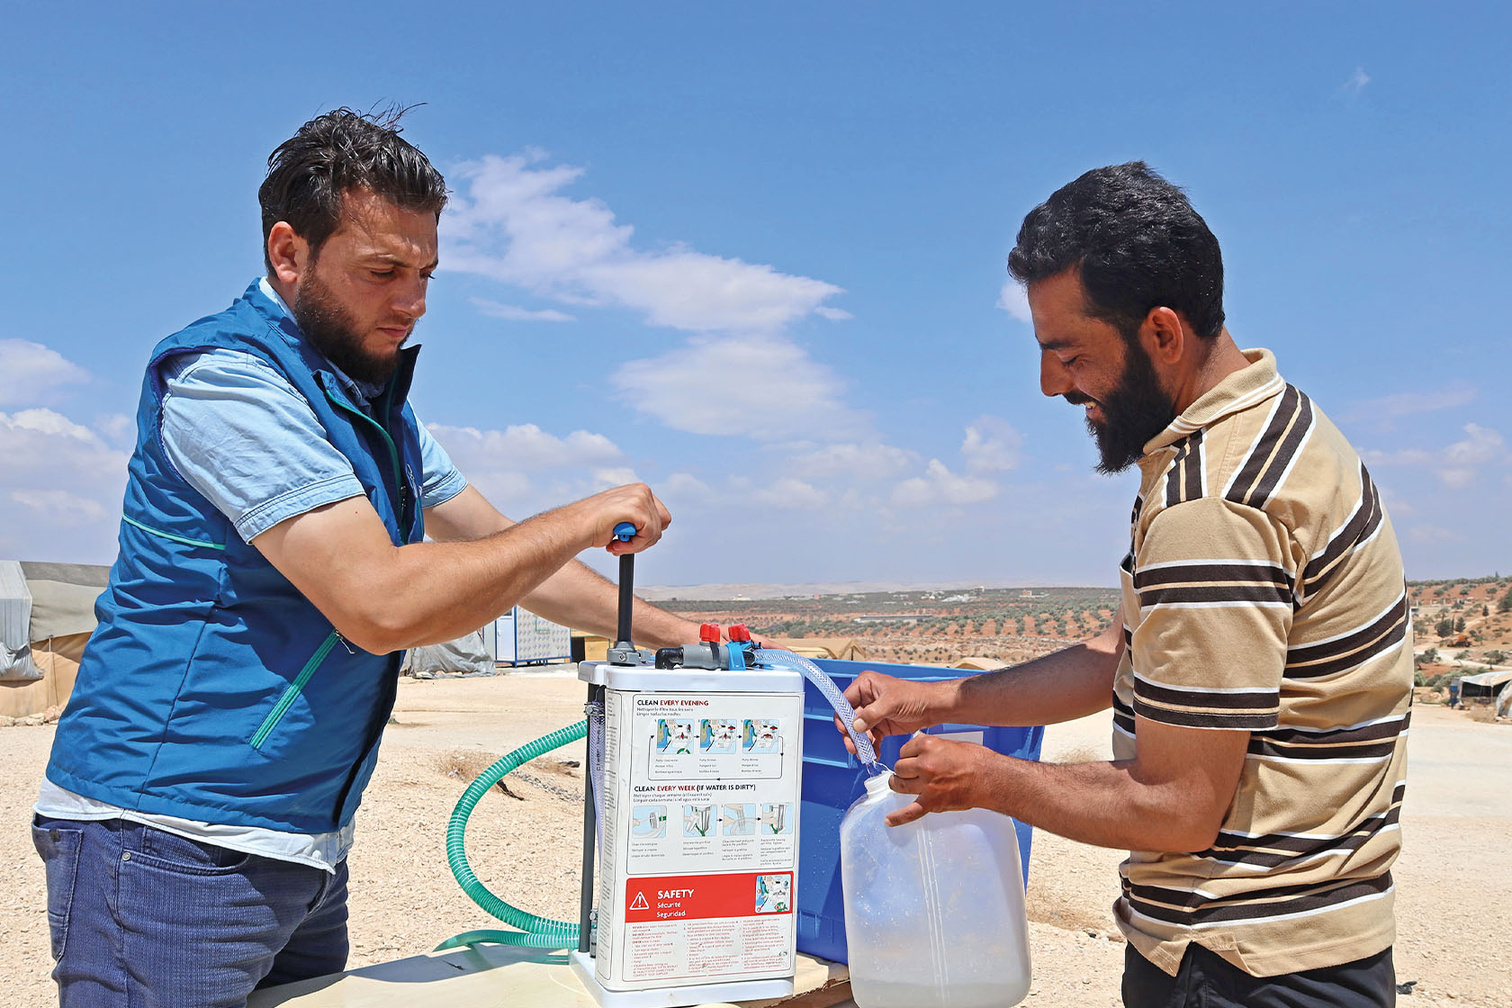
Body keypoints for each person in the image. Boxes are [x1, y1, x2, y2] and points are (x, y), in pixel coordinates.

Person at [33, 108, 706, 1006]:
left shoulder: (369, 402)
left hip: (302, 842)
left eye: (425, 273)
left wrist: (694, 639)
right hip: (168, 839)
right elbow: (381, 604)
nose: (413, 301)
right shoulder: (231, 382)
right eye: (383, 271)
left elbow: (508, 558)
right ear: (288, 253)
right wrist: (583, 515)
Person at [841, 163, 1411, 1007]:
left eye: (1069, 354)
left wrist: (986, 781)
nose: (1050, 385)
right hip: (1304, 955)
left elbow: (1179, 804)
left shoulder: (1212, 503)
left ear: (1163, 334)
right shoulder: (1273, 429)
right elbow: (1126, 652)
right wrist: (940, 700)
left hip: (1241, 967)